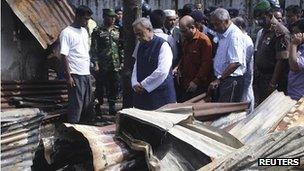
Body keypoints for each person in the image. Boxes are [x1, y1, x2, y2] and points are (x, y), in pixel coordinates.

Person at [131, 18, 176, 110]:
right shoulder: (140, 45)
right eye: (136, 35)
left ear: (149, 29)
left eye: (140, 34)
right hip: (142, 94)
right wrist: (134, 83)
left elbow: (162, 70)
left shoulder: (163, 45)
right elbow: (136, 66)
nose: (138, 37)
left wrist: (144, 84)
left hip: (161, 96)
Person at [60, 5, 93, 123]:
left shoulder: (84, 31)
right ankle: (72, 132)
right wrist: (68, 76)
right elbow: (64, 55)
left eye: (88, 19)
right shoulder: (66, 32)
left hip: (86, 73)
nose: (87, 21)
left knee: (87, 105)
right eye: (85, 19)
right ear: (77, 16)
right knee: (76, 106)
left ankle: (84, 133)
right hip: (75, 74)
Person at [253, 0, 290, 104]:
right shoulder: (265, 29)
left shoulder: (280, 32)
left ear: (269, 15)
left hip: (272, 79)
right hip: (261, 78)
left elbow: (281, 61)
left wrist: (273, 83)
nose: (258, 21)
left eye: (261, 18)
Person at [209, 8, 247, 103]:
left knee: (227, 115)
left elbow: (235, 63)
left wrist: (219, 79)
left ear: (226, 21)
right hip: (224, 80)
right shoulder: (224, 33)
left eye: (217, 24)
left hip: (231, 81)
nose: (215, 27)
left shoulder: (234, 36)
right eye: (213, 24)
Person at [91, 9, 123, 115]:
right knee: (100, 86)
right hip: (102, 64)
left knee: (114, 85)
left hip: (115, 64)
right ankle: (98, 105)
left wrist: (122, 62)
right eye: (111, 17)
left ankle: (112, 106)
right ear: (105, 17)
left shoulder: (118, 30)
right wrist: (95, 63)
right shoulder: (98, 31)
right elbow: (94, 48)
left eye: (114, 17)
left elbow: (121, 47)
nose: (113, 19)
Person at [177, 15, 213, 102]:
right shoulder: (186, 39)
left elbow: (206, 64)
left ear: (192, 27)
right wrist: (178, 68)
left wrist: (196, 81)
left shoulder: (204, 40)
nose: (182, 34)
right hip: (185, 83)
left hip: (198, 85)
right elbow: (184, 57)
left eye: (184, 31)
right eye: (181, 31)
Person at [232, 17, 255, 112]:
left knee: (245, 98)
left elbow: (242, 62)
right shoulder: (240, 38)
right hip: (241, 77)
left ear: (240, 27)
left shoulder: (245, 39)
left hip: (244, 76)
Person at [288, 19, 304, 100]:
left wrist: (293, 45)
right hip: (294, 94)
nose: (294, 35)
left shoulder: (297, 45)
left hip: (300, 97)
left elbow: (294, 66)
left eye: (296, 32)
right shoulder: (300, 47)